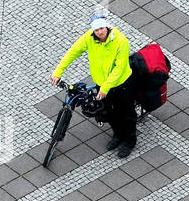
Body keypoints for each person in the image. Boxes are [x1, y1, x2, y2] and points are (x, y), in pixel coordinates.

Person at [51, 13, 137, 157]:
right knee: (108, 111)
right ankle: (117, 134)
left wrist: (105, 88)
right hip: (101, 83)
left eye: (102, 28)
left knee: (127, 113)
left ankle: (129, 140)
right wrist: (58, 71)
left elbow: (119, 68)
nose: (100, 32)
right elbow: (73, 51)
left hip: (121, 84)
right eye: (96, 30)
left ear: (107, 27)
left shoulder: (120, 41)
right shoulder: (89, 38)